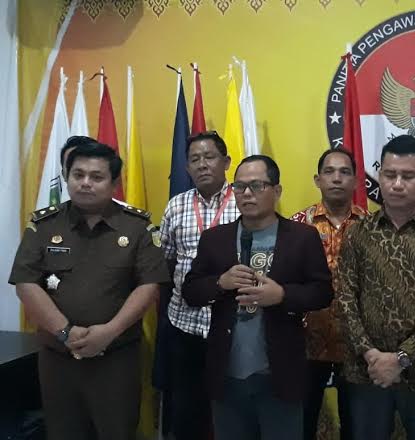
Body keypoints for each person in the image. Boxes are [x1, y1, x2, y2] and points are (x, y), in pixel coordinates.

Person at [9, 142, 169, 440]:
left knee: (117, 432)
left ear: (114, 183)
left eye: (96, 177)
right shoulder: (44, 225)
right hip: (58, 359)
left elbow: (149, 286)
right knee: (63, 433)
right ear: (66, 177)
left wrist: (108, 332)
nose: (85, 183)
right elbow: (25, 283)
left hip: (115, 360)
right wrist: (65, 332)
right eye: (78, 174)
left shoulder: (137, 227)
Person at [182, 155, 333, 440]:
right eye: (239, 186)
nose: (246, 193)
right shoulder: (215, 238)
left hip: (280, 375)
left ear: (277, 191)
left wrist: (283, 295)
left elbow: (322, 292)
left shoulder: (302, 237)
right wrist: (221, 282)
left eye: (257, 186)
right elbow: (191, 291)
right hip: (227, 375)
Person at [337, 135, 415, 440]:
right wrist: (371, 354)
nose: (396, 184)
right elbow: (345, 298)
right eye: (390, 174)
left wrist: (401, 358)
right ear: (379, 176)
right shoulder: (357, 234)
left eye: (408, 176)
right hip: (367, 372)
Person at [157, 130, 239, 440]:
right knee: (188, 411)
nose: (202, 164)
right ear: (187, 168)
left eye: (209, 157)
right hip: (185, 325)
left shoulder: (244, 202)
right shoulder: (176, 206)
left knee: (232, 410)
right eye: (194, 159)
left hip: (233, 326)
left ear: (226, 162)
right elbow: (166, 262)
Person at [291, 148, 367, 440]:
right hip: (305, 342)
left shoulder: (370, 226)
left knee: (356, 425)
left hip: (356, 345)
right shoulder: (297, 226)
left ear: (356, 181)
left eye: (345, 172)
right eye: (329, 172)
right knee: (302, 423)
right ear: (317, 179)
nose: (337, 178)